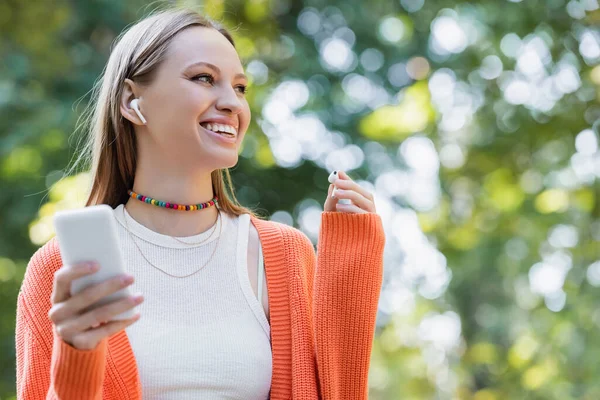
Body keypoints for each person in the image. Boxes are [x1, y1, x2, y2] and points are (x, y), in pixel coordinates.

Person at [15, 7, 386, 400]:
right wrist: (78, 355)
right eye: (204, 78)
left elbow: (339, 391)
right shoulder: (60, 270)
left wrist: (351, 265)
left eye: (240, 87)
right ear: (131, 101)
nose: (233, 104)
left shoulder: (284, 254)